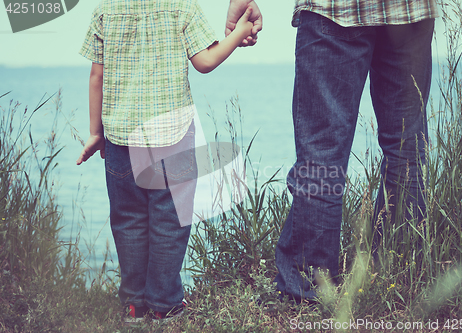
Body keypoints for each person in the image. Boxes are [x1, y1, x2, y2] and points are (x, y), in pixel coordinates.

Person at [225, 0, 437, 302]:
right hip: (410, 11)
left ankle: (309, 289)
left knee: (322, 152)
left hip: (336, 10)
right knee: (406, 147)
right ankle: (398, 274)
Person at [77, 0, 254, 323]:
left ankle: (134, 305)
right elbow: (205, 60)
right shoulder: (182, 6)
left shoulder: (106, 9)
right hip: (171, 136)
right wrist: (239, 31)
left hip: (121, 137)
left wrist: (95, 132)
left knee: (127, 219)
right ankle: (164, 304)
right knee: (169, 221)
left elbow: (96, 76)